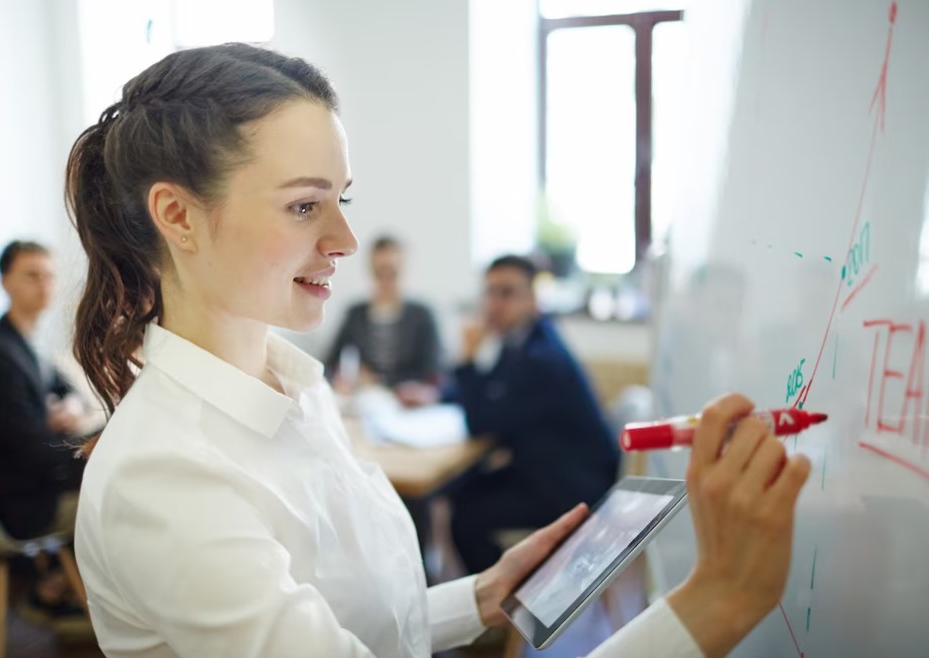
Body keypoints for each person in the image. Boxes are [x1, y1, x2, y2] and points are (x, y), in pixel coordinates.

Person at [66, 43, 811, 658]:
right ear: (177, 215)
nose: (345, 242)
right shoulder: (162, 475)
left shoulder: (298, 390)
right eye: (303, 205)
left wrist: (478, 597)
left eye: (340, 200)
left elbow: (350, 620)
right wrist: (714, 604)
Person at [448, 255, 621, 573]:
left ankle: (495, 607)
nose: (494, 304)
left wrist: (467, 359)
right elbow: (493, 391)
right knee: (460, 486)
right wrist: (439, 393)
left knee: (466, 513)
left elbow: (481, 422)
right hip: (549, 470)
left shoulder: (541, 359)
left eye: (507, 293)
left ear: (532, 300)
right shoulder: (526, 339)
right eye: (489, 293)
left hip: (571, 488)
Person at [0, 240, 87, 541]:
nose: (44, 285)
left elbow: (66, 389)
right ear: (5, 282)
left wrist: (73, 407)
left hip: (36, 482)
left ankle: (57, 579)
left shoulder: (27, 343)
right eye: (32, 276)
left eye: (50, 276)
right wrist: (93, 445)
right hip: (22, 505)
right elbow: (34, 454)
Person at [326, 236, 442, 406]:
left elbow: (433, 372)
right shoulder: (355, 314)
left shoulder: (423, 315)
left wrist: (379, 381)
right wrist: (341, 380)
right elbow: (331, 362)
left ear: (404, 269)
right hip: (366, 399)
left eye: (392, 272)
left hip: (408, 403)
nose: (386, 280)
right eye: (380, 272)